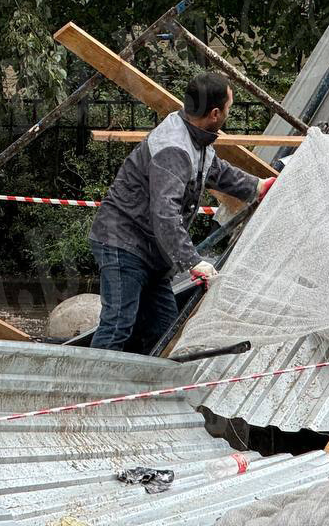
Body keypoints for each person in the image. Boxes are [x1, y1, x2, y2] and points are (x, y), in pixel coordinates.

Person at [88, 71, 270, 352]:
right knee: (117, 325)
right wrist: (193, 262)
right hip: (123, 242)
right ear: (214, 113)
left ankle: (140, 389)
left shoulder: (195, 135)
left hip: (151, 251)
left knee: (164, 330)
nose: (228, 114)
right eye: (228, 109)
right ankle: (86, 390)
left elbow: (215, 171)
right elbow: (165, 214)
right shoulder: (174, 148)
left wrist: (258, 186)